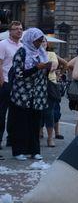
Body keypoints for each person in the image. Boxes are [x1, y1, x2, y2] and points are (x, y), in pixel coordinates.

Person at [8, 28, 49, 160]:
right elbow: (18, 74)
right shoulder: (22, 52)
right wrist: (36, 68)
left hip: (37, 94)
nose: (39, 43)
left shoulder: (42, 52)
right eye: (37, 41)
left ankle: (34, 151)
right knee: (21, 123)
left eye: (41, 41)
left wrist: (47, 68)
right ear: (30, 39)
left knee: (35, 123)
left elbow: (43, 76)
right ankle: (18, 151)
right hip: (22, 94)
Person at [0, 20, 23, 150]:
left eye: (20, 29)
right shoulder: (3, 44)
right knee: (2, 113)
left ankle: (11, 139)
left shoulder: (22, 46)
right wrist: (2, 82)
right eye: (15, 29)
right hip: (5, 83)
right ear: (10, 31)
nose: (19, 31)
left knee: (15, 114)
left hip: (18, 85)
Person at [42, 40, 66, 147]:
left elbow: (53, 66)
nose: (42, 43)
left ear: (46, 44)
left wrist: (59, 74)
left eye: (44, 42)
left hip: (50, 85)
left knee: (50, 112)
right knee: (37, 112)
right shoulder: (32, 53)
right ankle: (38, 132)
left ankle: (51, 137)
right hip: (36, 86)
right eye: (40, 41)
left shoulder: (51, 54)